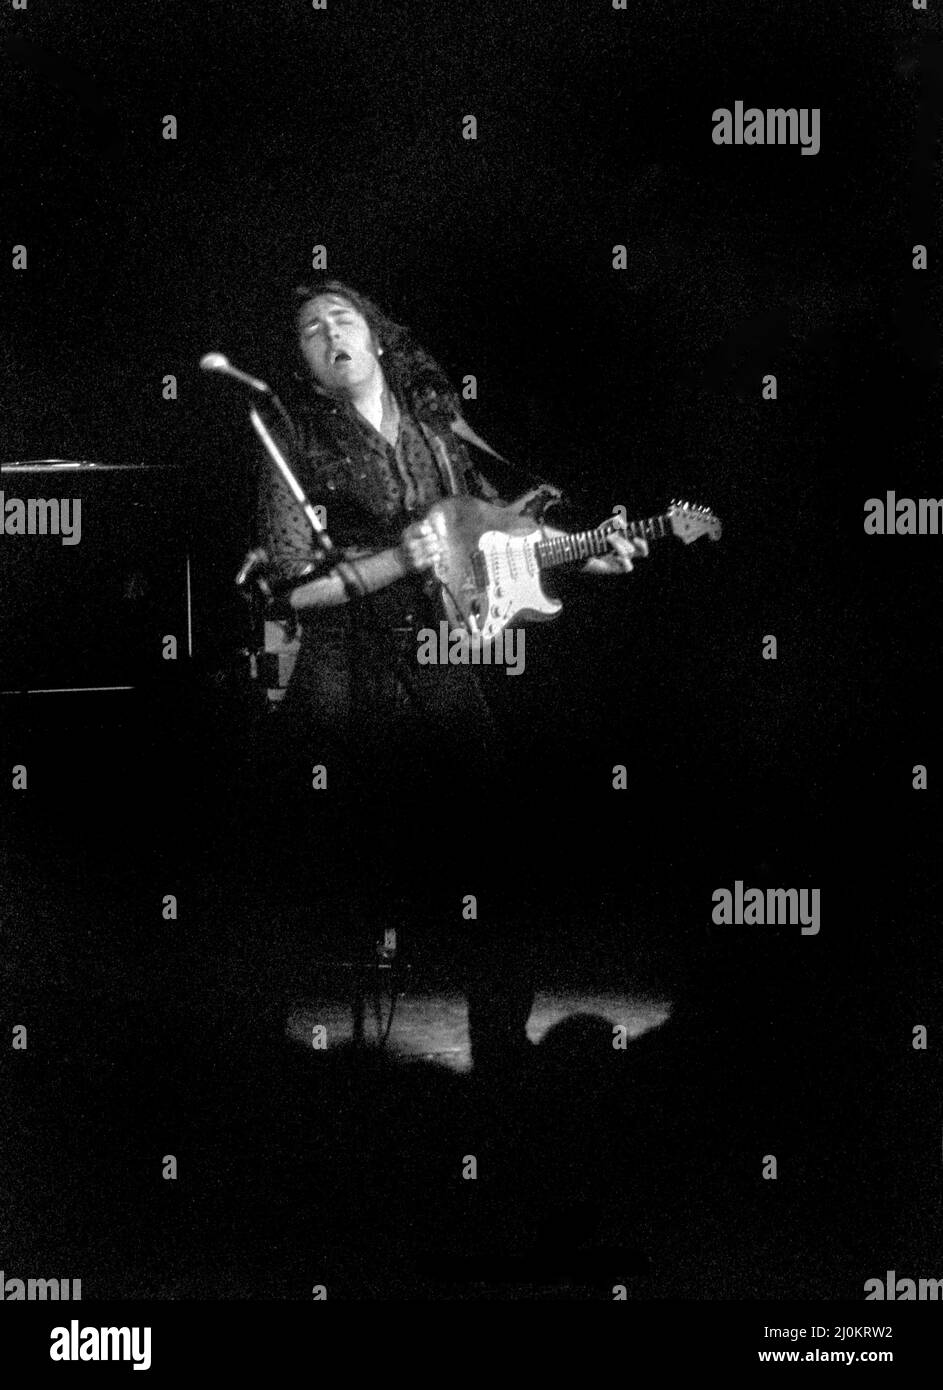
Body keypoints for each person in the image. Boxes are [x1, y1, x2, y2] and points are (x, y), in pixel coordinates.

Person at [256, 277, 648, 1069]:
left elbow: (502, 532)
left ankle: (500, 1041)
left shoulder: (437, 427)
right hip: (340, 655)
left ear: (374, 337)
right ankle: (263, 1052)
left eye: (342, 317)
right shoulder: (295, 439)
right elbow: (291, 583)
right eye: (308, 329)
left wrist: (587, 552)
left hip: (432, 651)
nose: (329, 331)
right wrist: (398, 557)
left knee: (497, 842)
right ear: (305, 362)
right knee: (305, 847)